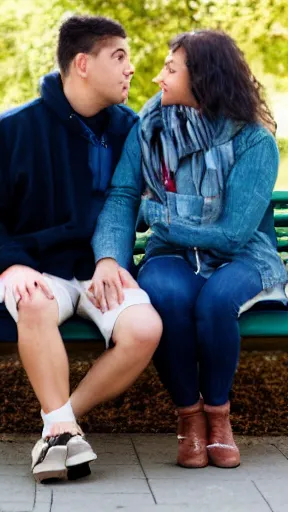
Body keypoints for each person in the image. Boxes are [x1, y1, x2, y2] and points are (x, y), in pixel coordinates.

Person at [0, 15, 162, 482]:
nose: (131, 68)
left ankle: (59, 427)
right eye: (120, 56)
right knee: (33, 301)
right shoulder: (13, 129)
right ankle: (62, 430)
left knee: (145, 328)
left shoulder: (130, 130)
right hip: (36, 268)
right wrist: (8, 266)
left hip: (100, 271)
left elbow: (145, 204)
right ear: (83, 64)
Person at [91, 30, 287, 469]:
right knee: (166, 294)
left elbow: (234, 233)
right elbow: (123, 198)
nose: (158, 77)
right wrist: (108, 258)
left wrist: (161, 217)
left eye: (171, 69)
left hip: (244, 257)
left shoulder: (253, 140)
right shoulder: (149, 130)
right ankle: (190, 418)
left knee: (216, 301)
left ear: (203, 78)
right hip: (172, 255)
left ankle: (219, 418)